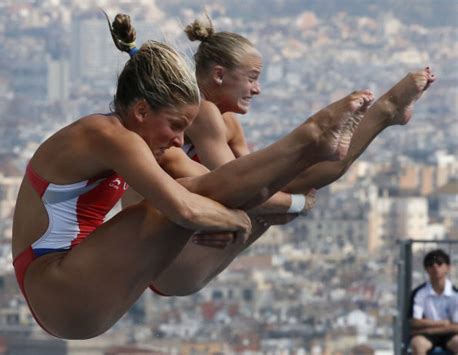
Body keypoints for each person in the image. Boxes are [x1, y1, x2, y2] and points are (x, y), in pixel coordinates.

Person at [12, 13, 373, 339]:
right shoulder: (108, 136)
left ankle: (319, 144)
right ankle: (311, 136)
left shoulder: (136, 141)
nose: (179, 140)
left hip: (86, 291)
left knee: (194, 194)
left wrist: (256, 209)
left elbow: (209, 183)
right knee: (170, 206)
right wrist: (241, 220)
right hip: (56, 289)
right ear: (140, 110)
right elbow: (183, 208)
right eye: (174, 126)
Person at [137, 16, 436, 297]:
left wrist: (288, 200)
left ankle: (378, 116)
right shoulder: (203, 112)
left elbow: (265, 182)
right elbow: (239, 190)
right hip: (166, 260)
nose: (257, 89)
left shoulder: (228, 124)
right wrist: (298, 204)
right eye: (251, 78)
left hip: (191, 250)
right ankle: (374, 116)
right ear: (218, 75)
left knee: (295, 177)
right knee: (295, 179)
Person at [409, 249, 458, 355]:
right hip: (425, 336)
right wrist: (443, 323)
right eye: (431, 264)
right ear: (426, 269)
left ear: (447, 267)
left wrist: (428, 329)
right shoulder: (419, 293)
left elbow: (456, 326)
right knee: (417, 344)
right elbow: (415, 322)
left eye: (439, 263)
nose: (435, 267)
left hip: (449, 334)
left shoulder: (455, 294)